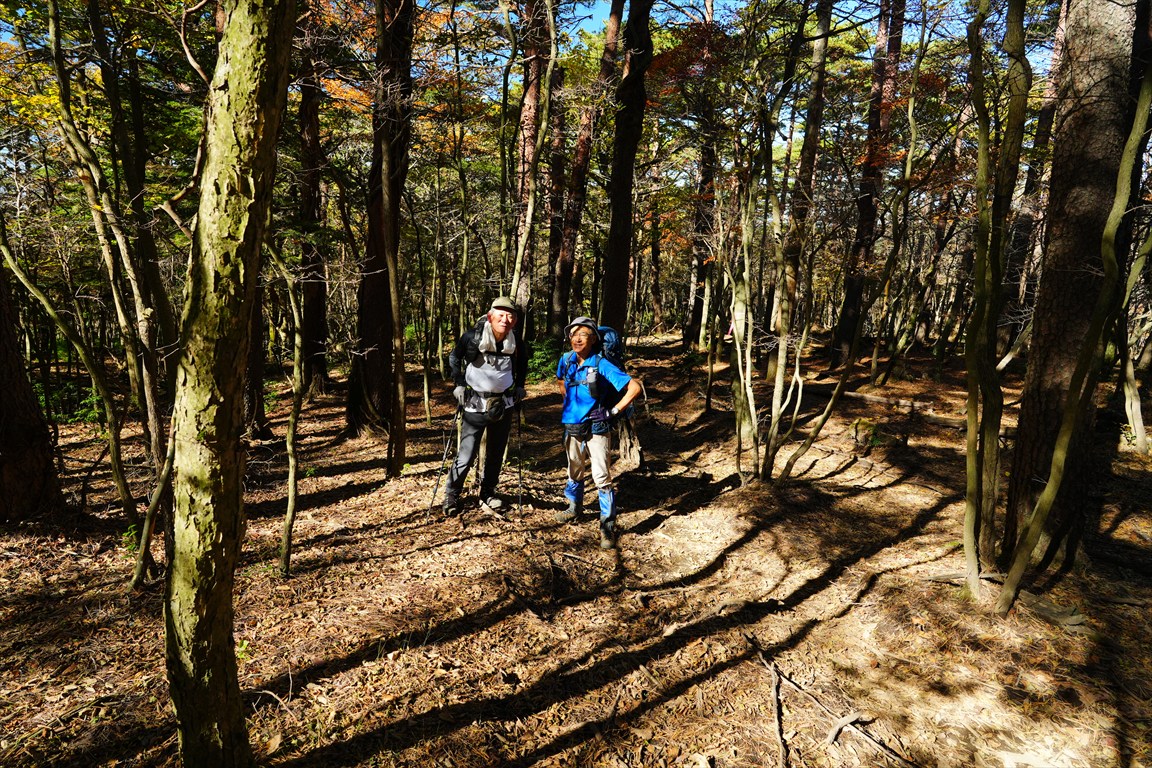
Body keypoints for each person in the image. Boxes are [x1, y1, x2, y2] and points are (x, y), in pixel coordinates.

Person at [555, 316, 642, 548]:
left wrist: (613, 411)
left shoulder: (601, 364)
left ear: (593, 339)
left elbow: (634, 387)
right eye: (573, 334)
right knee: (574, 469)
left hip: (597, 427)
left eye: (583, 334)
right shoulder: (566, 360)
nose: (577, 339)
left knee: (601, 476)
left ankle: (607, 525)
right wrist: (569, 404)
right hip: (572, 425)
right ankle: (574, 507)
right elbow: (561, 380)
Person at [443, 296, 528, 516]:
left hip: (504, 404)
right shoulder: (472, 337)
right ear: (491, 316)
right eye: (501, 315)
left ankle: (488, 492)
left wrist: (520, 386)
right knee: (466, 454)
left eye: (510, 316)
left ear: (515, 320)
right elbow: (454, 357)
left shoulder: (516, 342)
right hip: (474, 404)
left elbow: (523, 364)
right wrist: (458, 384)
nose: (505, 320)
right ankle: (452, 494)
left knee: (496, 453)